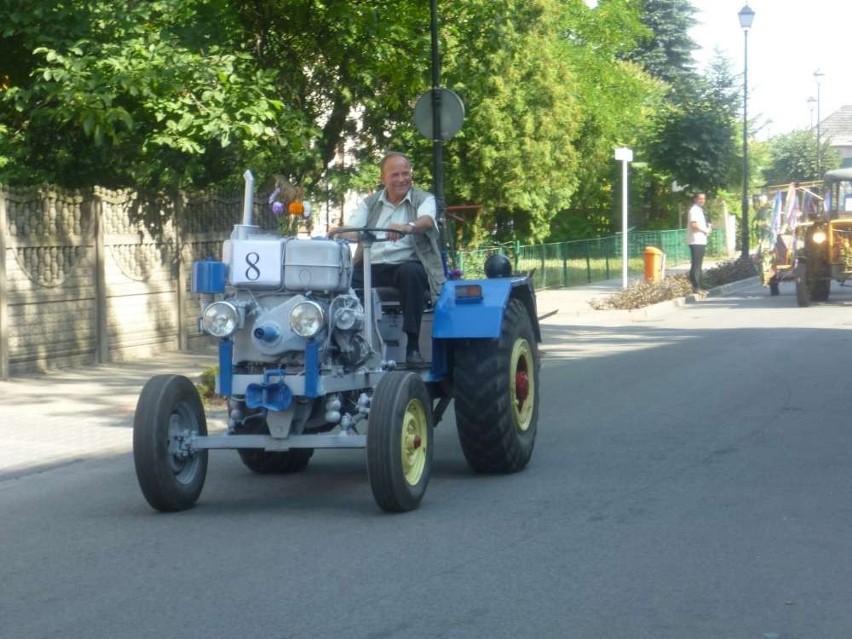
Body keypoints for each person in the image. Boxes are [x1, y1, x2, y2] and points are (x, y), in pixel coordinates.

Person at [346, 152, 446, 366]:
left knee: (412, 274)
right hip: (371, 267)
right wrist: (343, 232)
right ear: (383, 179)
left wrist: (407, 227)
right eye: (395, 175)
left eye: (405, 173)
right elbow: (353, 230)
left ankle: (412, 347)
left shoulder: (423, 198)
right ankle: (348, 346)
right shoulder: (369, 203)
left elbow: (427, 221)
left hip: (406, 266)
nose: (401, 179)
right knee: (342, 283)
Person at [686, 192, 711, 294]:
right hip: (696, 240)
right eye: (700, 198)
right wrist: (705, 230)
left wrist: (707, 227)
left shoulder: (699, 210)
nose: (702, 200)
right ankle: (696, 288)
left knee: (698, 265)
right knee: (696, 265)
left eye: (704, 199)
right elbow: (694, 225)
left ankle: (698, 287)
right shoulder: (694, 210)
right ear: (695, 199)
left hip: (700, 240)